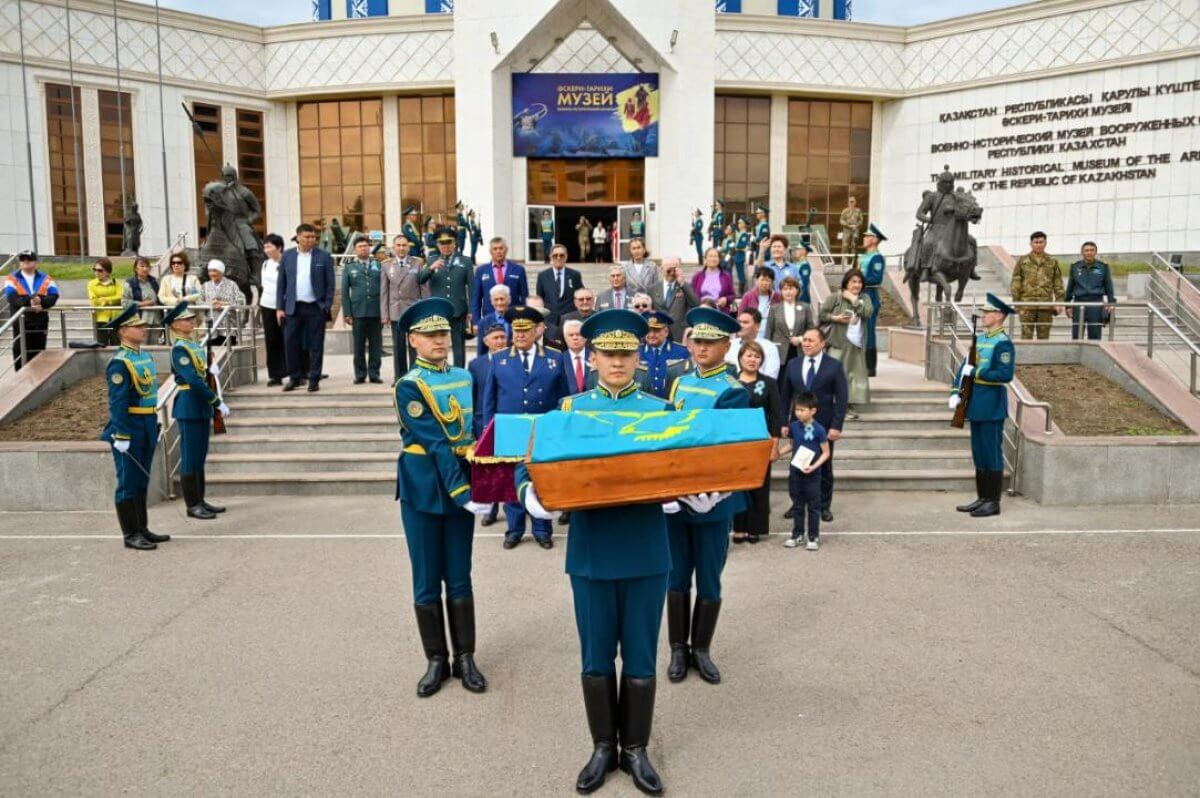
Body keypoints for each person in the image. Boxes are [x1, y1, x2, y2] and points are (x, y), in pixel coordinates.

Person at [515, 308, 676, 796]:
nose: (618, 362)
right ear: (593, 357)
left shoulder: (662, 410)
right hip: (591, 553)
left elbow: (692, 461)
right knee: (596, 656)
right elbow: (529, 461)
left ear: (639, 356)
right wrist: (532, 495)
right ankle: (604, 746)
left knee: (642, 656)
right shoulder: (570, 409)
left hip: (646, 551)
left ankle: (636, 749)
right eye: (608, 353)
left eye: (626, 353)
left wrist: (698, 491)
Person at [394, 297, 494, 698]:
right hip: (425, 488)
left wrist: (488, 480)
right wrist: (463, 491)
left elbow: (476, 431)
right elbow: (435, 442)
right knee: (426, 578)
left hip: (461, 486)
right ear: (413, 340)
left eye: (444, 333)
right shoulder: (409, 386)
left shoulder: (465, 377)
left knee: (459, 574)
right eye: (431, 334)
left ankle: (465, 657)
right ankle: (436, 659)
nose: (440, 340)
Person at [665, 306, 749, 686]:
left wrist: (711, 490)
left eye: (710, 342)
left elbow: (727, 448)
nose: (701, 348)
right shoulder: (679, 383)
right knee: (676, 575)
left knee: (710, 577)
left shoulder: (732, 390)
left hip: (712, 499)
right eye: (697, 341)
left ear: (726, 346)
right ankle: (677, 649)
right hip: (677, 497)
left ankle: (701, 648)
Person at [482, 305, 570, 550]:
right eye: (516, 331)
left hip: (542, 430)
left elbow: (563, 397)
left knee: (541, 478)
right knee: (512, 482)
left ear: (536, 331)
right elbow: (489, 399)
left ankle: (542, 530)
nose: (520, 335)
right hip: (510, 430)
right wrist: (489, 431)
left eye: (525, 330)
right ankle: (515, 529)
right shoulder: (499, 359)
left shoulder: (554, 357)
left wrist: (561, 428)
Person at [101, 304, 167, 550]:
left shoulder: (144, 356)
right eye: (137, 326)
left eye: (143, 325)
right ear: (123, 331)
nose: (143, 328)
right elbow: (117, 402)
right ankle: (130, 534)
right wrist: (121, 433)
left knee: (141, 479)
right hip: (129, 427)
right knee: (128, 482)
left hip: (147, 423)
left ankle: (142, 528)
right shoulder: (120, 363)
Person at [950, 293, 1015, 518]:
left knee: (991, 452)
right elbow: (965, 367)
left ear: (999, 315)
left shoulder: (1003, 343)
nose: (984, 316)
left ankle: (993, 502)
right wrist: (956, 391)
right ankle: (982, 497)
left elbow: (1005, 374)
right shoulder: (982, 339)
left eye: (987, 312)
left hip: (991, 403)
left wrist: (978, 372)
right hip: (976, 402)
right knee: (979, 452)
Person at [165, 301, 230, 520]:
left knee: (199, 456)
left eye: (191, 318)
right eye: (185, 319)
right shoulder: (179, 348)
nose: (191, 321)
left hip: (200, 405)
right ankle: (192, 504)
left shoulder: (194, 345)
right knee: (190, 457)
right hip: (189, 405)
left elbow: (202, 375)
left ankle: (200, 500)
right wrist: (215, 400)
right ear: (175, 325)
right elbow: (192, 379)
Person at [780, 328, 847, 523]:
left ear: (822, 343)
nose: (806, 344)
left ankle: (823, 506)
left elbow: (842, 398)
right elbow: (785, 396)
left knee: (824, 466)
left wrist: (836, 426)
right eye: (804, 340)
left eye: (811, 340)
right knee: (797, 465)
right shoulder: (793, 364)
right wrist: (784, 422)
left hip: (823, 425)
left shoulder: (834, 366)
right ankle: (797, 503)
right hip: (798, 425)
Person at [731, 340, 782, 545]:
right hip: (736, 442)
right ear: (740, 358)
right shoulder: (730, 382)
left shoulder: (769, 383)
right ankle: (739, 527)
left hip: (760, 441)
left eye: (757, 356)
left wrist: (775, 444)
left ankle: (755, 528)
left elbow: (776, 415)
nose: (753, 360)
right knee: (738, 485)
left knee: (759, 485)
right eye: (749, 355)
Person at [276, 223, 335, 393]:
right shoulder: (287, 256)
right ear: (298, 237)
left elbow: (330, 284)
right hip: (293, 308)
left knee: (316, 345)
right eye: (307, 237)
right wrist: (280, 307)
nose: (311, 240)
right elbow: (282, 284)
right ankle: (294, 378)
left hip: (316, 308)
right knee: (291, 343)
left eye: (313, 237)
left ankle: (314, 379)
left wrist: (326, 305)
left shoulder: (323, 256)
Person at [469, 322, 509, 528]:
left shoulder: (513, 360)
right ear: (486, 341)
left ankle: (512, 509)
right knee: (487, 468)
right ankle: (490, 509)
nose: (500, 341)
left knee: (508, 468)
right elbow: (473, 396)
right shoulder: (476, 365)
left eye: (503, 337)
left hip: (507, 421)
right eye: (496, 338)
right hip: (483, 421)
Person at [819, 268, 872, 412]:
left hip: (856, 344)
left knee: (854, 375)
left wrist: (854, 300)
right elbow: (822, 315)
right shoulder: (835, 297)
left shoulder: (865, 298)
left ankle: (848, 405)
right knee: (835, 374)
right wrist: (835, 318)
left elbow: (866, 313)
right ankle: (832, 404)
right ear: (846, 283)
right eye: (853, 281)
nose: (857, 285)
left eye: (859, 282)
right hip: (837, 342)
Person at [420, 228, 474, 366]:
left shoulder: (465, 261)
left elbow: (472, 288)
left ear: (455, 243)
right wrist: (431, 268)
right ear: (437, 244)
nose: (446, 246)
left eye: (449, 242)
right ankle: (439, 371)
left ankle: (459, 372)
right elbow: (420, 279)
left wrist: (471, 310)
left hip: (458, 309)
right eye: (442, 243)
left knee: (458, 345)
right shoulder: (431, 260)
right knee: (437, 344)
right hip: (438, 310)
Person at [783, 392, 830, 550]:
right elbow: (791, 445)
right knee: (797, 505)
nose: (798, 413)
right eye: (797, 410)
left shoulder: (819, 430)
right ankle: (797, 534)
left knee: (813, 506)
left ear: (813, 411)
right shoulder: (794, 426)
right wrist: (776, 454)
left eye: (802, 410)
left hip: (812, 474)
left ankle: (813, 536)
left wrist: (814, 466)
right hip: (795, 471)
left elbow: (826, 453)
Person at [380, 234, 427, 382]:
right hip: (396, 311)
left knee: (414, 346)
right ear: (393, 248)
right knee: (398, 347)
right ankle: (399, 377)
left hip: (413, 311)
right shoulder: (386, 265)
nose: (401, 248)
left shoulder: (417, 263)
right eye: (398, 245)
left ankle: (414, 376)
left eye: (404, 245)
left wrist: (426, 311)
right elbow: (384, 292)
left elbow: (424, 289)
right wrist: (385, 315)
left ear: (408, 247)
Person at [342, 237, 384, 384]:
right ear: (355, 249)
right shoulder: (349, 267)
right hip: (357, 312)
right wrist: (347, 313)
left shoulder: (378, 265)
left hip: (376, 311)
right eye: (360, 246)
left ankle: (374, 374)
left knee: (376, 345)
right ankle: (360, 374)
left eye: (366, 246)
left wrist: (385, 311)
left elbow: (384, 289)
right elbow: (344, 292)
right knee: (359, 345)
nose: (363, 248)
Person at [1010, 231, 1065, 341]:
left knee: (1044, 338)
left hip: (1045, 306)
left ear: (1045, 243)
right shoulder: (1023, 261)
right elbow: (1016, 282)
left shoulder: (1052, 261)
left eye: (1041, 242)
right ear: (1031, 244)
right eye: (1036, 242)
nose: (1039, 245)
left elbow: (1058, 282)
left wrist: (1059, 302)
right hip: (1027, 305)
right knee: (1026, 337)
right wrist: (1017, 303)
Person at [472, 236, 528, 327]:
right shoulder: (481, 271)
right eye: (495, 249)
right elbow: (476, 298)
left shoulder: (518, 270)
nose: (498, 251)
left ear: (506, 250)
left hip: (513, 319)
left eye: (501, 248)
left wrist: (524, 318)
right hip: (489, 318)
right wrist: (476, 322)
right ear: (490, 251)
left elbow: (524, 296)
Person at [1065, 242, 1116, 341]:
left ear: (1096, 252)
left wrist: (1111, 303)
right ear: (1082, 252)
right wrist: (1067, 305)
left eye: (1092, 250)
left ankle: (1093, 351)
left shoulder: (1103, 267)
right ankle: (1077, 351)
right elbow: (1070, 287)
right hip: (1079, 303)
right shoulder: (1075, 267)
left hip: (1096, 303)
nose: (1089, 253)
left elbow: (1109, 286)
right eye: (1086, 250)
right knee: (1077, 334)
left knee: (1095, 335)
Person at [254, 235, 287, 386]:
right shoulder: (265, 264)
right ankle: (275, 375)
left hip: (284, 306)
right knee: (271, 340)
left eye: (269, 246)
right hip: (267, 305)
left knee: (288, 340)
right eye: (265, 247)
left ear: (279, 247)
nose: (266, 250)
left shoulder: (287, 262)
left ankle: (295, 372)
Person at [766, 275, 814, 370]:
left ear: (797, 290)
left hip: (799, 349)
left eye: (791, 288)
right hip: (779, 350)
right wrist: (767, 349)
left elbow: (811, 330)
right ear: (781, 291)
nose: (788, 292)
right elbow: (769, 330)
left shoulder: (805, 307)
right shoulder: (774, 308)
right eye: (785, 289)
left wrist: (800, 339)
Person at [859, 223, 887, 377]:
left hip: (870, 296)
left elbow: (876, 278)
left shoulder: (877, 258)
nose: (864, 238)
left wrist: (857, 281)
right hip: (860, 295)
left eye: (868, 236)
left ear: (875, 240)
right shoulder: (863, 257)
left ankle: (870, 366)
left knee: (869, 331)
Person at [639, 310, 688, 398]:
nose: (651, 334)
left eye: (656, 330)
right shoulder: (637, 352)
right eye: (648, 330)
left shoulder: (681, 352)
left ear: (666, 332)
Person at [649, 257, 698, 341]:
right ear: (662, 269)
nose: (672, 273)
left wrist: (682, 284)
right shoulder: (653, 288)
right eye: (668, 270)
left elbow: (695, 304)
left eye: (674, 270)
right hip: (659, 331)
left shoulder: (685, 286)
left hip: (679, 332)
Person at [536, 243, 584, 326]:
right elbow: (540, 298)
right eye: (555, 255)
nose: (558, 258)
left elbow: (580, 296)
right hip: (549, 320)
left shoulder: (575, 275)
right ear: (551, 257)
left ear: (566, 257)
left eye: (562, 255)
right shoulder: (543, 276)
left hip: (570, 320)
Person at [726, 309, 780, 379]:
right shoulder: (729, 344)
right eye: (739, 322)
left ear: (757, 326)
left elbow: (771, 377)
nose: (740, 325)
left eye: (745, 322)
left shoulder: (769, 347)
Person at [202, 260, 245, 346]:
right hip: (212, 326)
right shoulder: (205, 285)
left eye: (214, 271)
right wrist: (210, 304)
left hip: (228, 326)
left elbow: (241, 301)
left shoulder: (232, 284)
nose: (212, 273)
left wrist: (224, 303)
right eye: (210, 271)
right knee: (212, 352)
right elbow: (199, 301)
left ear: (221, 272)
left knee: (229, 350)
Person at [87, 258, 124, 346]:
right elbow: (93, 301)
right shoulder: (91, 284)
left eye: (100, 270)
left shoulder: (116, 283)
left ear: (108, 272)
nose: (96, 272)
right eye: (94, 270)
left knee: (117, 344)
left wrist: (105, 300)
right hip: (100, 318)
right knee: (102, 344)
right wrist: (112, 300)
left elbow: (121, 297)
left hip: (116, 318)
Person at [122, 257, 162, 336]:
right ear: (135, 268)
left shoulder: (154, 281)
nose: (145, 269)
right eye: (142, 266)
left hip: (156, 319)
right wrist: (143, 303)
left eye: (147, 266)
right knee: (141, 342)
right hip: (139, 320)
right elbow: (124, 302)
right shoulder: (130, 283)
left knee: (155, 343)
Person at [692, 246, 736, 314]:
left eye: (715, 256)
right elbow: (691, 295)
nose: (713, 259)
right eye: (710, 256)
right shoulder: (697, 276)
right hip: (701, 312)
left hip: (720, 312)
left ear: (719, 259)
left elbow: (732, 295)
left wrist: (726, 299)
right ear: (705, 259)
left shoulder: (726, 276)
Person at [475, 284, 512, 356]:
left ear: (509, 300)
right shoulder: (484, 322)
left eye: (502, 299)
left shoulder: (517, 318)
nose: (499, 303)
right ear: (491, 301)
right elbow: (481, 351)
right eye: (496, 299)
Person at [560, 318, 590, 394]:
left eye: (578, 334)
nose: (575, 338)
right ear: (565, 338)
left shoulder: (595, 357)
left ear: (585, 337)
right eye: (571, 335)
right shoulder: (559, 359)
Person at [839, 196, 863, 263]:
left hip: (855, 229)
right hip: (847, 230)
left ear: (855, 202)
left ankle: (853, 261)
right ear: (848, 202)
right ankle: (844, 261)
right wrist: (847, 224)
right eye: (850, 201)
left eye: (853, 201)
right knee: (845, 245)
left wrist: (856, 225)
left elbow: (861, 220)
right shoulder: (845, 211)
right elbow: (841, 220)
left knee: (854, 245)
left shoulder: (858, 211)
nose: (851, 203)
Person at [733, 217, 752, 293]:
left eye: (740, 223)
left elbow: (741, 245)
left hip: (741, 256)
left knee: (741, 274)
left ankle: (741, 292)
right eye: (738, 223)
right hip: (738, 255)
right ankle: (741, 291)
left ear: (744, 224)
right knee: (739, 274)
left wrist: (736, 246)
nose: (738, 224)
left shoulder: (744, 235)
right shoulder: (740, 233)